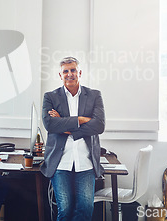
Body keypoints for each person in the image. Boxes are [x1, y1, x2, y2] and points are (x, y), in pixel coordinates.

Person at [41, 57, 105, 221]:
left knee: (85, 209)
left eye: (73, 70)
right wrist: (82, 120)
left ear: (80, 72)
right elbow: (50, 125)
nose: (70, 74)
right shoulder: (50, 97)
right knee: (66, 209)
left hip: (86, 162)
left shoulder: (94, 95)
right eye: (65, 71)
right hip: (60, 162)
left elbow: (99, 126)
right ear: (60, 75)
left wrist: (64, 123)